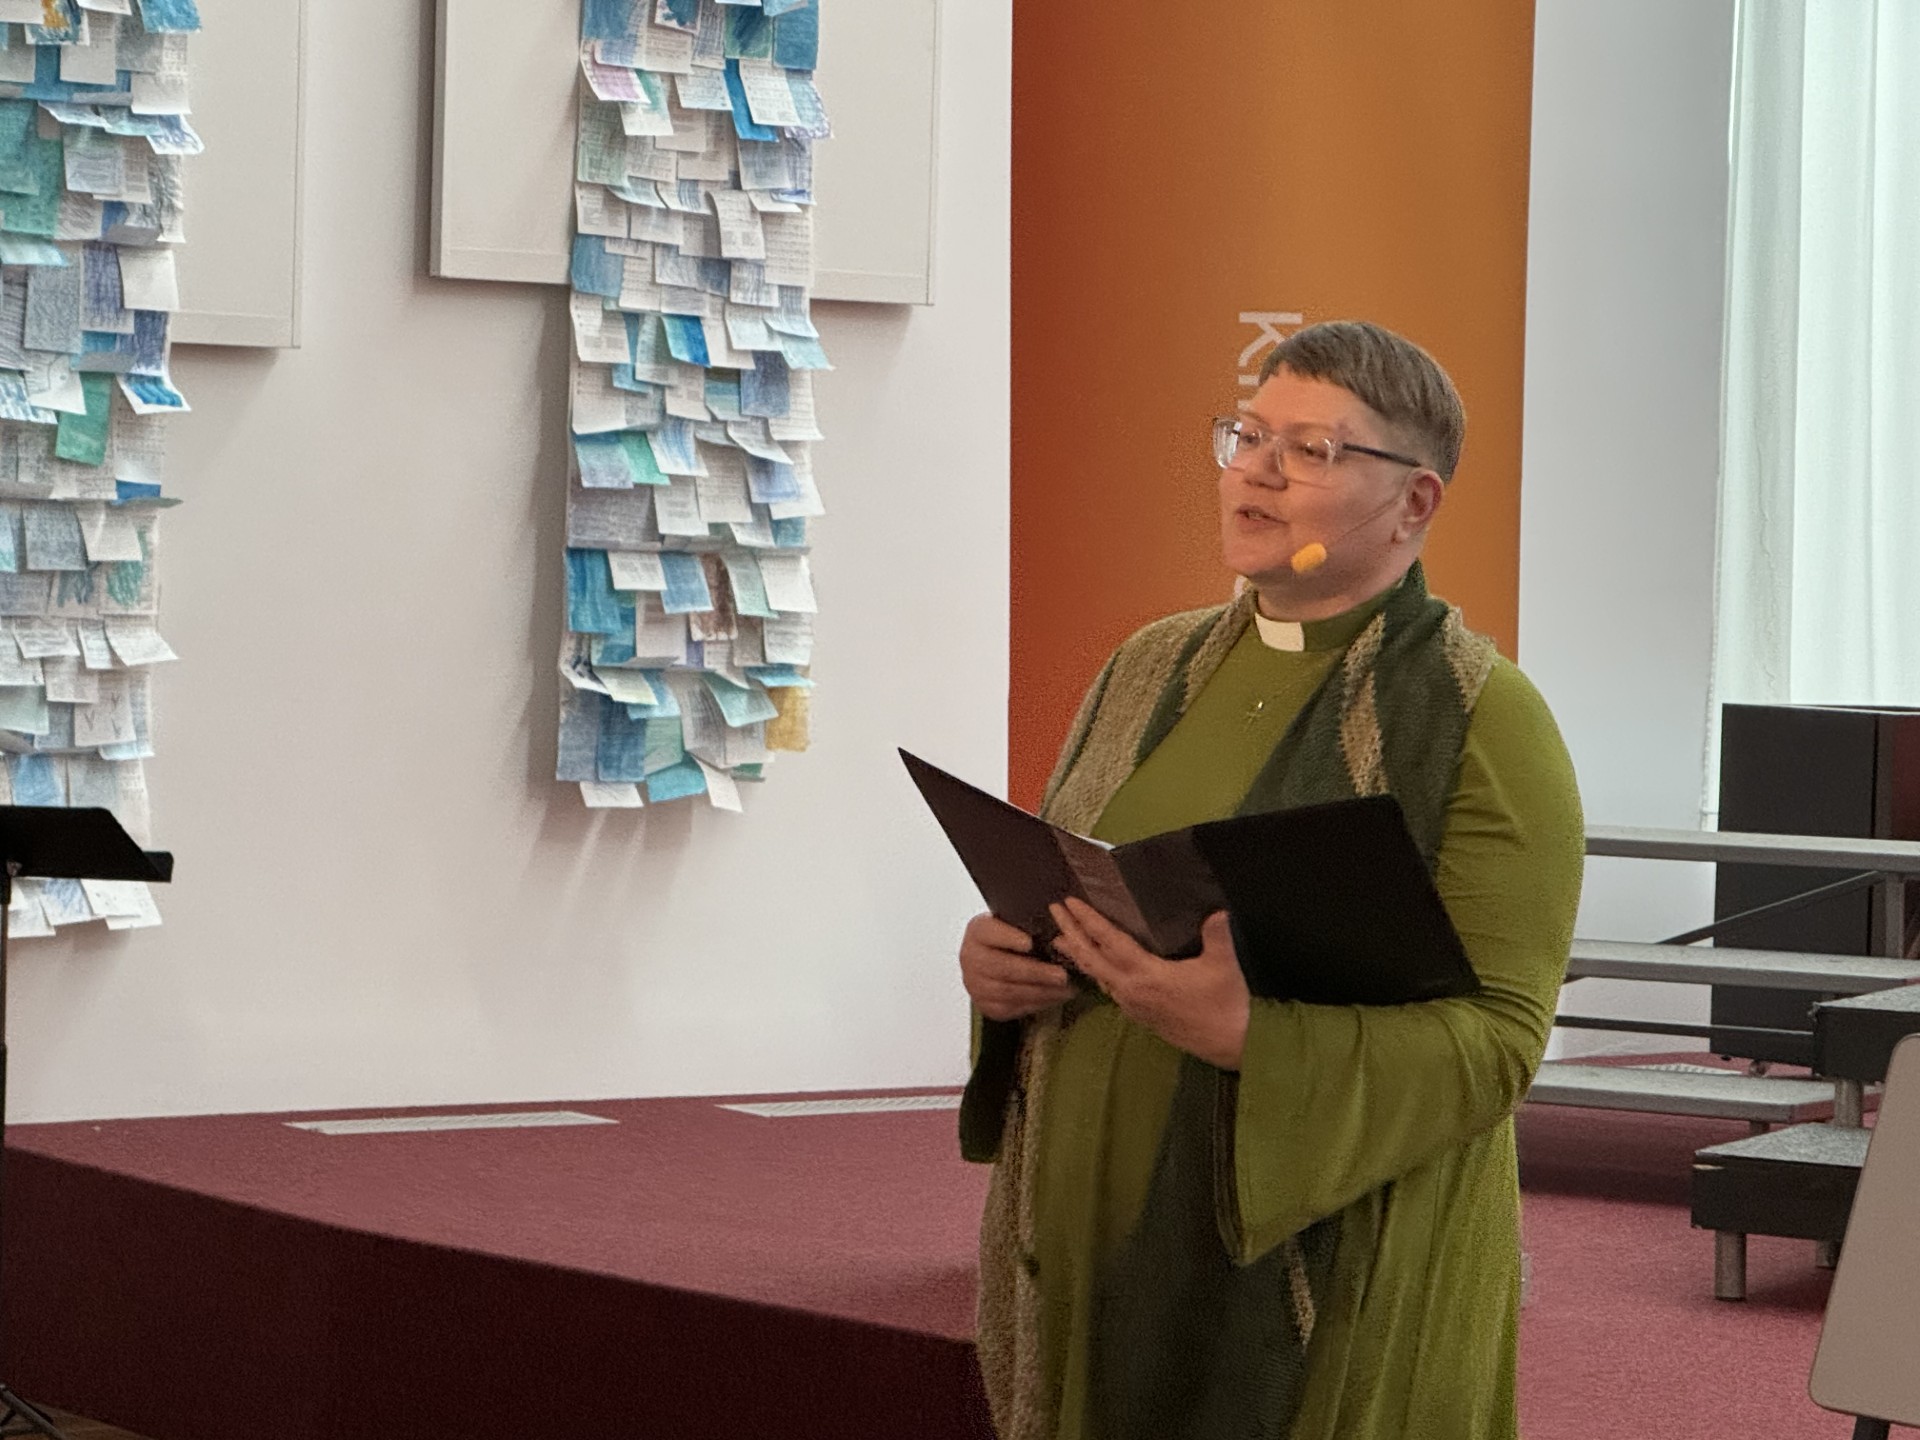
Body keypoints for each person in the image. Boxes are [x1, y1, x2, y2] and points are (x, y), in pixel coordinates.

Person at [957, 320, 1584, 1440]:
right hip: (1088, 1231)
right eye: (1248, 436)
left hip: (1319, 1272)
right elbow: (1079, 881)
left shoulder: (1483, 715)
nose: (1257, 470)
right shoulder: (1146, 664)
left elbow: (1499, 1044)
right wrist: (1005, 965)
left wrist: (1256, 1037)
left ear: (1415, 502)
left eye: (1313, 450)